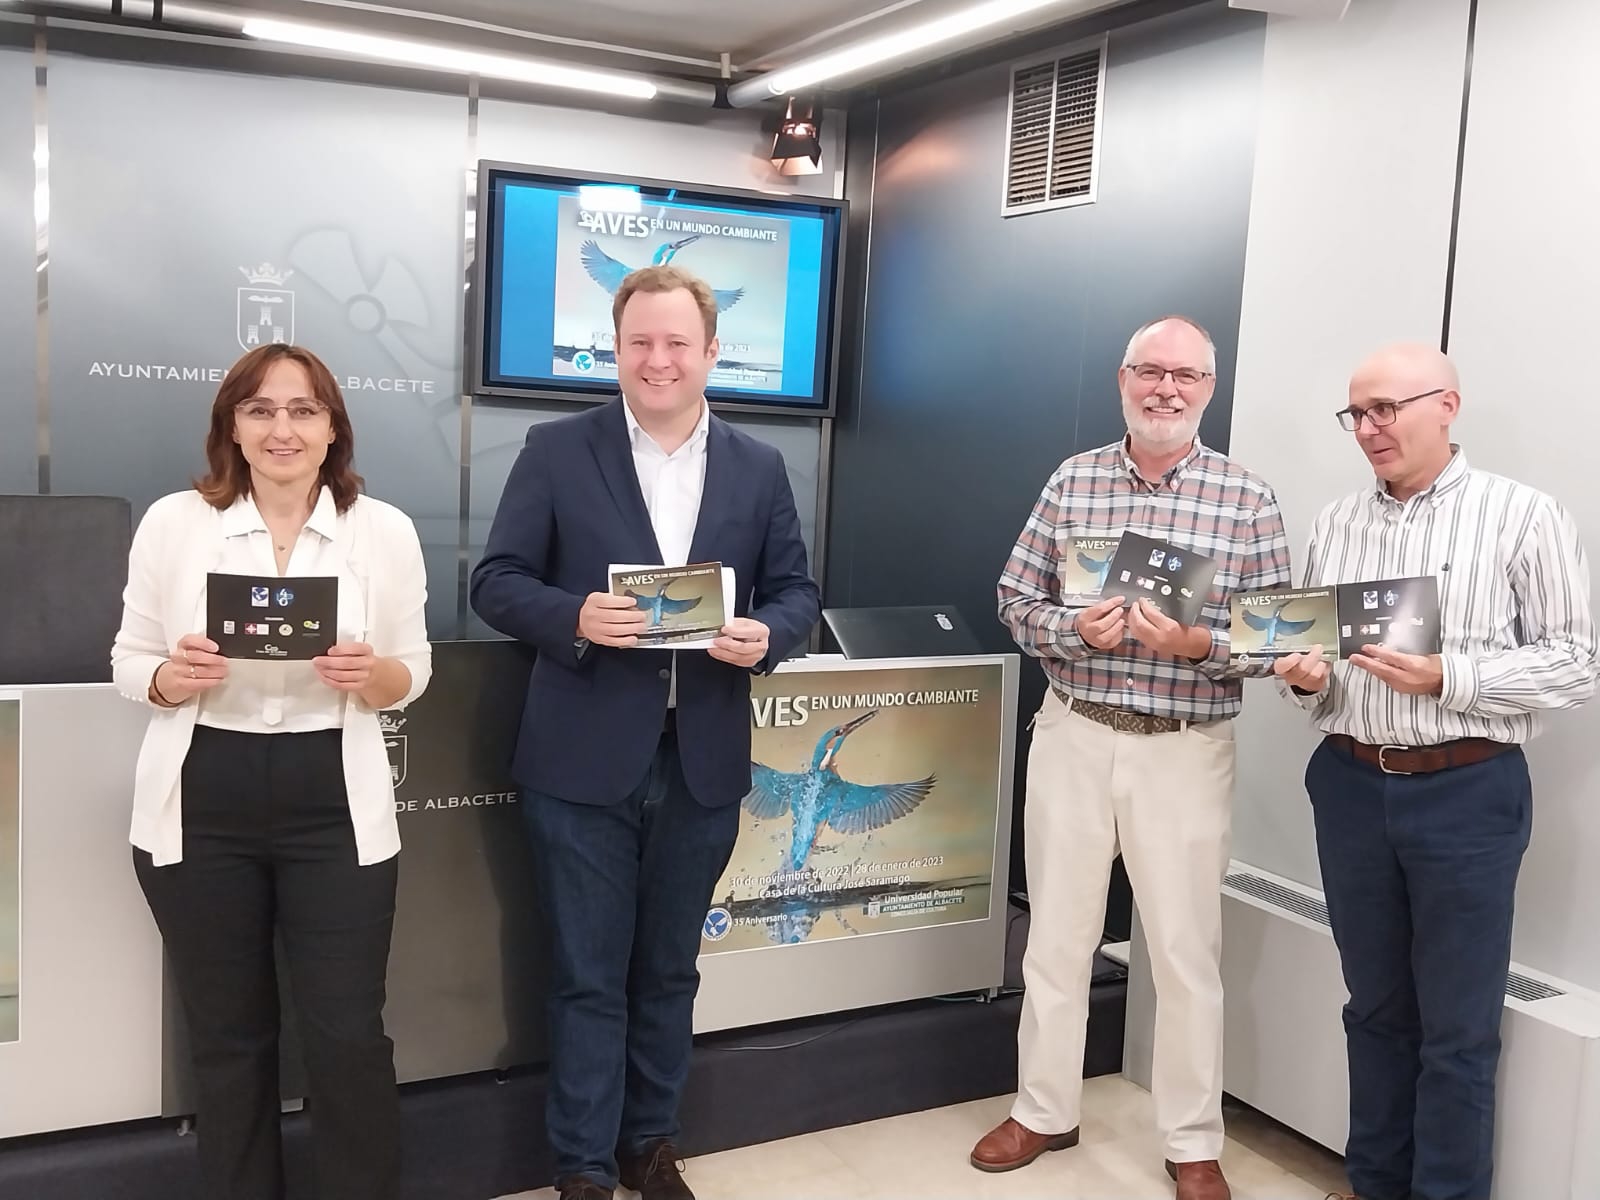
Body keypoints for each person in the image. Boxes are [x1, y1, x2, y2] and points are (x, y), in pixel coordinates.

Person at [470, 264, 821, 1200]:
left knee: (668, 970)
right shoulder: (556, 449)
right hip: (580, 759)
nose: (657, 360)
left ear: (713, 352)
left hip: (702, 758)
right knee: (586, 975)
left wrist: (768, 634)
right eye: (639, 343)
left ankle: (650, 1145)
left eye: (676, 343)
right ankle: (583, 1165)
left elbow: (796, 591)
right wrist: (574, 617)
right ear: (614, 350)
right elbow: (496, 581)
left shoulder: (758, 465)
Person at [976, 316, 1291, 1200]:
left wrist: (1199, 646)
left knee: (1185, 954)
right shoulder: (1072, 480)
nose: (1166, 389)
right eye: (1150, 371)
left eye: (1185, 376)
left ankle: (1192, 1141)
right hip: (1074, 732)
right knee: (1056, 938)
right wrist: (1071, 628)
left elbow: (1276, 638)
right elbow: (1014, 597)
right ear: (1123, 380)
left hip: (1183, 750)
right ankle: (1044, 1109)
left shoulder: (1247, 499)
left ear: (1208, 389)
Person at [1273, 343, 1597, 1200]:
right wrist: (1304, 679)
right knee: (1374, 1011)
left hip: (1468, 791)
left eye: (1386, 408)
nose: (1368, 429)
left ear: (1447, 405)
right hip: (1350, 785)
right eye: (1356, 414)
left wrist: (1450, 676)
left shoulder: (1522, 515)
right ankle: (1375, 1185)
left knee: (1458, 1031)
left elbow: (1576, 664)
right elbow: (1316, 663)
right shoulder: (1337, 523)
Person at [110, 343, 432, 1200]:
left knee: (347, 1035)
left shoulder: (383, 530)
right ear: (232, 427)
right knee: (228, 1039)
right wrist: (170, 677)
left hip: (336, 802)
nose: (281, 428)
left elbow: (414, 671)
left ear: (332, 429)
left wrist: (374, 674)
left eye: (302, 410)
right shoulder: (175, 523)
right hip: (201, 798)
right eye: (259, 409)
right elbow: (129, 658)